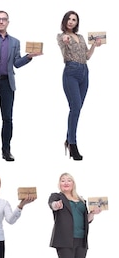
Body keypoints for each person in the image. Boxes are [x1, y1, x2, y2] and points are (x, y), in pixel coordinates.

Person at [0, 11, 41, 162]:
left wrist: (29, 57)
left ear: (8, 22)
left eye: (4, 19)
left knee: (8, 118)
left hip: (7, 83)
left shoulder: (15, 42)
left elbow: (17, 63)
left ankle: (6, 150)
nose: (1, 22)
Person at [57, 11, 102, 161]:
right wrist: (65, 40)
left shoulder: (81, 37)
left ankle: (68, 139)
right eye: (69, 19)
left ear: (77, 22)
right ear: (65, 21)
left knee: (78, 108)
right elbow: (63, 46)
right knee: (75, 107)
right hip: (71, 72)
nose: (71, 21)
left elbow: (87, 56)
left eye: (74, 20)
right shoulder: (61, 36)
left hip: (84, 72)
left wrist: (94, 45)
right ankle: (72, 144)